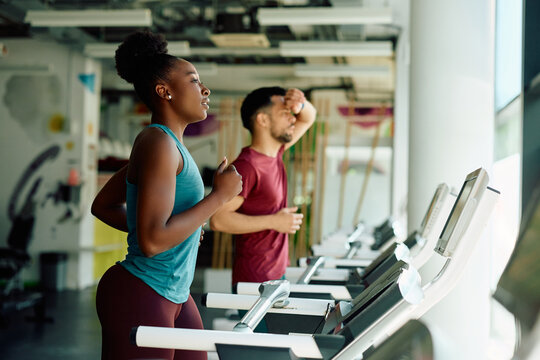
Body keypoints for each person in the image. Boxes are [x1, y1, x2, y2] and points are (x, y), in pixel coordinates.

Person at [91, 31, 242, 360]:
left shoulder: (166, 146)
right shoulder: (158, 142)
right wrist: (219, 197)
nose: (205, 90)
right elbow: (152, 241)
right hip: (142, 289)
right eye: (193, 81)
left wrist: (184, 229)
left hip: (175, 291)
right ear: (164, 92)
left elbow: (102, 206)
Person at [210, 86, 316, 287]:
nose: (293, 118)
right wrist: (274, 222)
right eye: (285, 113)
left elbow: (309, 117)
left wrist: (300, 104)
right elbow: (218, 220)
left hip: (276, 275)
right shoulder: (247, 167)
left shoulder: (276, 152)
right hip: (255, 282)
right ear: (263, 120)